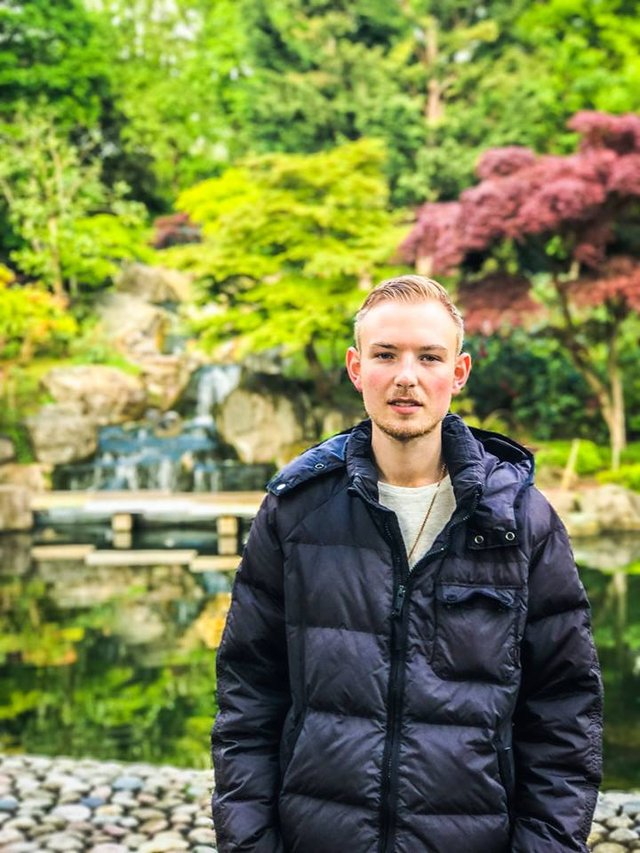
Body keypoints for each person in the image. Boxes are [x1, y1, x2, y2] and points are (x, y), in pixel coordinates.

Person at [212, 275, 603, 853]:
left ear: (459, 372)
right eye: (385, 355)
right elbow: (248, 694)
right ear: (355, 367)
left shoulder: (520, 520)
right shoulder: (296, 511)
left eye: (429, 356)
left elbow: (565, 713)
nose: (406, 376)